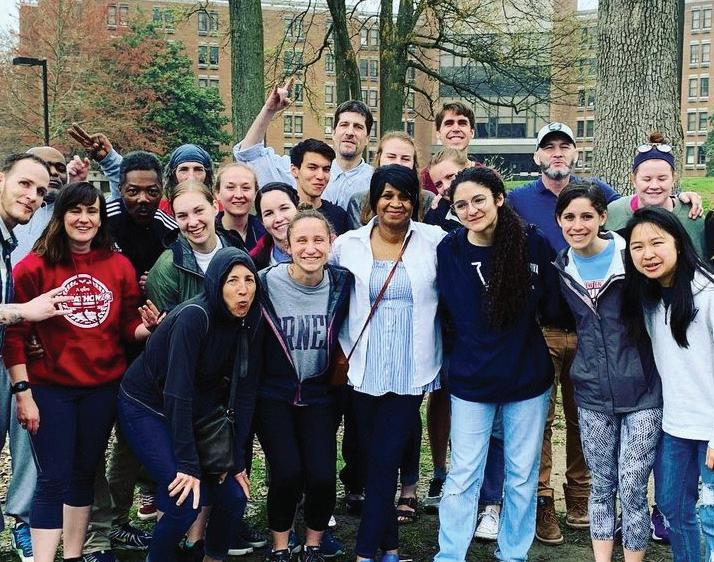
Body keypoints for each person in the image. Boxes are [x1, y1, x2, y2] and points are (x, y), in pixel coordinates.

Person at [507, 122, 701, 545]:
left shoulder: (612, 211)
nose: (556, 153)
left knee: (585, 427)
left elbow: (651, 211)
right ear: (537, 155)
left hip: (606, 344)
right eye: (548, 147)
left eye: (564, 145)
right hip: (547, 330)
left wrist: (686, 198)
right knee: (543, 423)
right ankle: (544, 503)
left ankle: (581, 499)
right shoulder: (519, 199)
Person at [4, 182, 156, 562]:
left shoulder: (118, 266)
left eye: (92, 211)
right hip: (50, 388)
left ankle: (73, 555)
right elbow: (15, 337)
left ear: (101, 218)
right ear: (61, 216)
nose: (84, 219)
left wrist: (147, 328)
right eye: (75, 210)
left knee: (84, 473)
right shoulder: (33, 267)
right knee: (52, 477)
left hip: (101, 389)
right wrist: (23, 394)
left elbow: (126, 326)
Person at [433, 167, 557, 562]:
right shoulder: (449, 251)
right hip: (472, 379)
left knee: (521, 475)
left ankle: (513, 553)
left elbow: (553, 303)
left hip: (526, 378)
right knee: (463, 473)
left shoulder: (532, 243)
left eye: (479, 200)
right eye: (461, 205)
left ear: (499, 199)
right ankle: (450, 554)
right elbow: (448, 313)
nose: (471, 210)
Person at [118, 247, 262, 562]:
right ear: (215, 283)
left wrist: (236, 460)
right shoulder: (194, 316)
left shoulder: (251, 318)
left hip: (198, 408)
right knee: (184, 500)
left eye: (249, 280)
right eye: (232, 280)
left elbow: (245, 392)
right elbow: (177, 391)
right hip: (146, 405)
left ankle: (212, 557)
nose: (243, 290)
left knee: (234, 496)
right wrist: (187, 463)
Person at [332, 164, 445, 562]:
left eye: (404, 196)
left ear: (414, 201)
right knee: (372, 458)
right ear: (374, 200)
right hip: (362, 366)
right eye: (387, 195)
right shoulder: (348, 244)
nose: (396, 204)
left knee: (385, 458)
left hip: (411, 367)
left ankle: (364, 552)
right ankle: (391, 549)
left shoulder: (433, 241)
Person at [554, 183, 663, 562]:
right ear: (559, 221)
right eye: (569, 217)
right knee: (601, 486)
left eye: (587, 216)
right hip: (592, 393)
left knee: (632, 486)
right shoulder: (561, 267)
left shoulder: (630, 256)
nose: (578, 225)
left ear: (602, 217)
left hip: (643, 390)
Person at [81, 151, 179, 562]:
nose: (143, 199)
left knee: (131, 442)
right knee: (92, 447)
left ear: (162, 191)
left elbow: (183, 271)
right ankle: (96, 529)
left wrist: (158, 279)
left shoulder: (169, 228)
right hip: (99, 348)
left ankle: (120, 519)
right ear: (119, 189)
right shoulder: (101, 223)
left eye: (152, 191)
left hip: (148, 349)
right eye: (133, 191)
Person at [257, 210, 352, 562]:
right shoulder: (264, 283)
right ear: (287, 245)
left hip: (320, 394)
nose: (310, 248)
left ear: (331, 243)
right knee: (286, 473)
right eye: (301, 240)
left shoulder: (342, 284)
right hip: (274, 394)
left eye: (318, 240)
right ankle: (281, 545)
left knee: (323, 475)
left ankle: (313, 544)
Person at [621, 207, 714, 562]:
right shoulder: (647, 298)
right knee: (672, 508)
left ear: (678, 242)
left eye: (657, 243)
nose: (648, 254)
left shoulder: (707, 293)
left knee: (711, 517)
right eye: (637, 247)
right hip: (676, 426)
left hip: (710, 427)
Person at [0, 153, 72, 562]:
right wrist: (23, 312)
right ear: (1, 180)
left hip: (11, 360)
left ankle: (22, 523)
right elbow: (18, 309)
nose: (32, 196)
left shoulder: (8, 241)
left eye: (40, 191)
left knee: (27, 441)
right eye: (24, 184)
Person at [233, 81, 374, 209]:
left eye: (358, 127)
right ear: (333, 132)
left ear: (368, 138)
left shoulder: (374, 181)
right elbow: (249, 154)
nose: (349, 132)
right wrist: (269, 110)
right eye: (344, 125)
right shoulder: (298, 170)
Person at [606, 131, 707, 257]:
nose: (654, 186)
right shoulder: (613, 213)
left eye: (662, 179)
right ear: (633, 180)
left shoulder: (692, 216)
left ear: (673, 179)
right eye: (647, 179)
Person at [68, 123, 214, 208]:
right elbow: (126, 195)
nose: (191, 177)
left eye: (198, 169)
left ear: (207, 174)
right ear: (172, 174)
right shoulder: (155, 208)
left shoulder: (220, 210)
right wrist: (109, 160)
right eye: (183, 170)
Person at [146, 179, 236, 312]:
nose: (193, 222)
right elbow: (167, 323)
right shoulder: (166, 268)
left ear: (215, 207)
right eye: (182, 216)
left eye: (199, 211)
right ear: (175, 219)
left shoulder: (236, 250)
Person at [345, 131, 433, 230]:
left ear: (414, 164)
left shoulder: (428, 200)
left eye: (405, 159)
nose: (398, 163)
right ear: (379, 159)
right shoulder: (358, 201)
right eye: (391, 157)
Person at [288, 139, 348, 235]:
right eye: (312, 168)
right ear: (294, 170)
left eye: (326, 169)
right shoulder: (283, 215)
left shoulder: (339, 216)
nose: (320, 176)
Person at [420, 102, 476, 195]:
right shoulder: (423, 180)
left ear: (472, 132)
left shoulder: (488, 176)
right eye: (449, 123)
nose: (456, 129)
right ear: (438, 133)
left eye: (462, 123)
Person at [214, 163, 266, 251]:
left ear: (255, 194)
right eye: (230, 187)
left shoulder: (267, 232)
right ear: (217, 193)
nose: (239, 195)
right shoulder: (208, 233)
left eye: (246, 188)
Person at [250, 182, 300, 269]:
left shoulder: (325, 248)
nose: (278, 219)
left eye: (284, 208)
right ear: (262, 221)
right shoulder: (254, 264)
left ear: (298, 209)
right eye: (269, 213)